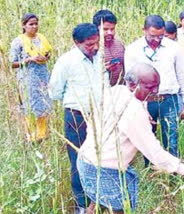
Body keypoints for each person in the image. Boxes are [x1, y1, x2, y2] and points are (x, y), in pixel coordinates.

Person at [77, 63, 184, 214]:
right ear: (131, 84)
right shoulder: (134, 111)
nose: (155, 91)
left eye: (157, 86)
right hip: (105, 168)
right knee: (120, 208)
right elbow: (154, 153)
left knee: (97, 202)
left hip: (86, 160)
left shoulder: (115, 91)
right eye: (149, 87)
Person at [49, 23, 108, 214]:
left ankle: (100, 201)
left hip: (100, 115)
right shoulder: (66, 61)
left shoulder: (100, 57)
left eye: (96, 42)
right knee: (78, 160)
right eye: (89, 44)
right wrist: (77, 101)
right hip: (76, 117)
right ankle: (82, 205)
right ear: (77, 42)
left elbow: (105, 83)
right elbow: (54, 91)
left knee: (102, 158)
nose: (95, 47)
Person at [125, 15, 184, 167]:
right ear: (144, 30)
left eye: (160, 36)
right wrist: (139, 107)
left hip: (170, 99)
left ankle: (172, 172)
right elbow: (130, 83)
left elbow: (182, 76)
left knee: (171, 139)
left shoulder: (174, 48)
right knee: (148, 139)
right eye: (153, 36)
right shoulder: (133, 50)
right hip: (146, 102)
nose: (157, 40)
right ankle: (152, 171)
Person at [9, 13, 52, 142]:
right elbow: (12, 63)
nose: (34, 27)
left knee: (43, 104)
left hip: (43, 76)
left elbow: (48, 53)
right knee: (30, 106)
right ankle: (32, 137)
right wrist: (29, 59)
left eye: (36, 24)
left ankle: (42, 135)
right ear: (24, 25)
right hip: (28, 78)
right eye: (31, 24)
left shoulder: (41, 38)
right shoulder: (18, 42)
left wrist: (45, 58)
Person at [164, 20, 184, 114]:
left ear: (174, 34)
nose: (164, 38)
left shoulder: (179, 45)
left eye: (167, 36)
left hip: (182, 75)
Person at [93, 9, 125, 86]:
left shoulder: (119, 44)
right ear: (96, 28)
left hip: (120, 89)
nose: (110, 32)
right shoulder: (92, 47)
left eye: (112, 29)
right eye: (105, 29)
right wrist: (105, 70)